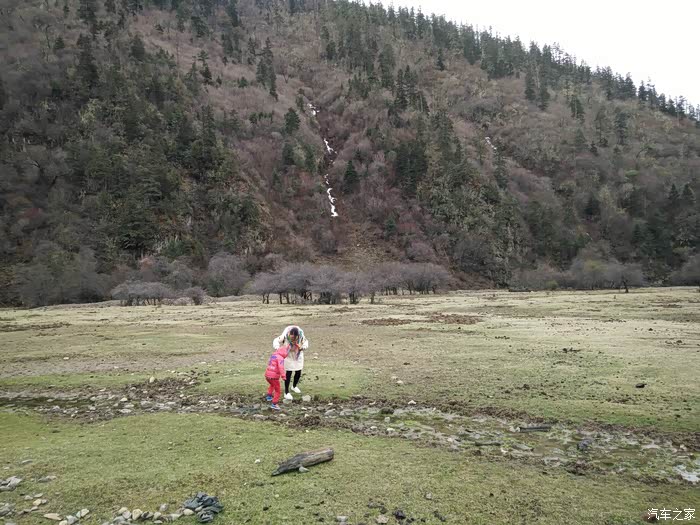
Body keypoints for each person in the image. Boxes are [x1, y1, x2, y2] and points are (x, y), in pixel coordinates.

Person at [272, 326, 309, 400]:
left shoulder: (301, 337)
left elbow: (306, 342)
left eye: (294, 338)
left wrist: (303, 347)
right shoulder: (284, 336)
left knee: (298, 371)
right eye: (292, 338)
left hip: (297, 355)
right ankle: (286, 392)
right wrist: (277, 347)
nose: (293, 339)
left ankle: (294, 386)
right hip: (288, 355)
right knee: (288, 373)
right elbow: (276, 340)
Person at [264, 344, 289, 410]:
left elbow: (269, 363)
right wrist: (283, 376)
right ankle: (274, 404)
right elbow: (281, 368)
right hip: (274, 377)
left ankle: (269, 396)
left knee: (272, 385)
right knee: (277, 390)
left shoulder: (273, 356)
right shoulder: (280, 358)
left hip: (267, 375)